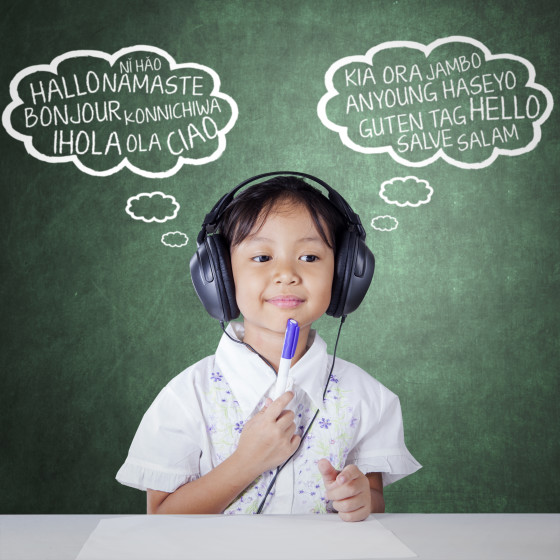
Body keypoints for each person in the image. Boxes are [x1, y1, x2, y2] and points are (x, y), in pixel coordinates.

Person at [116, 173, 421, 521]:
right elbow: (162, 517)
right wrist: (246, 463)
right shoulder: (186, 399)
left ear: (345, 275)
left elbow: (374, 500)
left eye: (309, 257)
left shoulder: (367, 398)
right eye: (262, 258)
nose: (287, 274)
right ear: (219, 277)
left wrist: (359, 499)